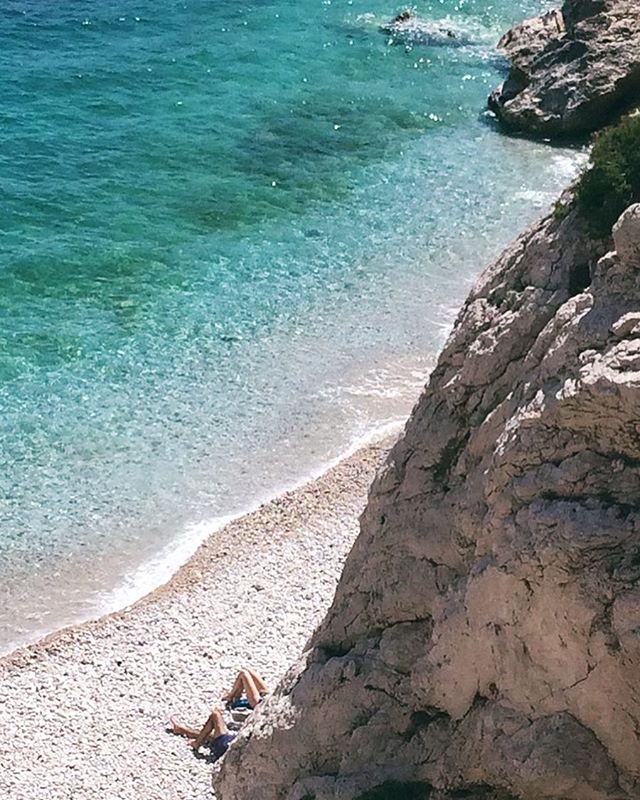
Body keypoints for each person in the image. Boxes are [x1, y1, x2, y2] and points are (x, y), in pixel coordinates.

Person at [169, 668, 269, 759]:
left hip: (226, 746)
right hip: (237, 745)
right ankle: (183, 730)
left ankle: (196, 743)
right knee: (212, 733)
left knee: (215, 716)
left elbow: (245, 674)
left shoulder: (258, 705)